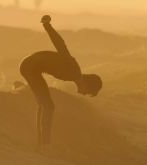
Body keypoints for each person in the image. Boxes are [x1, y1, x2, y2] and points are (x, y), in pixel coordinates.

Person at [20, 15, 102, 146]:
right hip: (30, 67)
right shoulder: (74, 71)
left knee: (45, 105)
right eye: (87, 92)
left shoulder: (74, 75)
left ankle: (41, 142)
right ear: (87, 84)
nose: (83, 94)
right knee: (48, 106)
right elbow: (61, 45)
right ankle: (44, 144)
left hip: (32, 67)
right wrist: (47, 25)